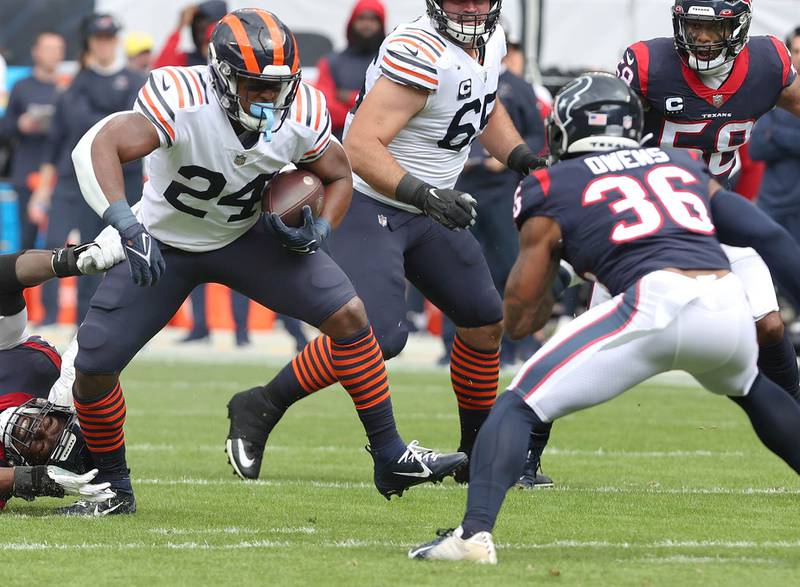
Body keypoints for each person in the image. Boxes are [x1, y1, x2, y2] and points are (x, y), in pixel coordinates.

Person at [66, 8, 466, 516]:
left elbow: (339, 176)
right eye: (255, 85)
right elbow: (100, 146)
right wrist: (127, 224)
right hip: (165, 241)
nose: (268, 96)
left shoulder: (302, 110)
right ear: (223, 75)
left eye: (277, 85)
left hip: (245, 235)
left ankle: (390, 455)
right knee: (95, 367)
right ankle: (113, 488)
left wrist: (322, 229)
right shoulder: (181, 96)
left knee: (349, 316)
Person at [409, 73, 800, 564]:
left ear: (565, 128)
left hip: (654, 300)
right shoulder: (678, 162)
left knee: (516, 405)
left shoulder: (551, 181)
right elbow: (770, 237)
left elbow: (521, 316)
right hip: (723, 299)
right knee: (752, 389)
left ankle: (472, 536)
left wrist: (554, 281)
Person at [225, 0, 547, 487]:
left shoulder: (490, 40)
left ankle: (477, 453)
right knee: (379, 339)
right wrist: (427, 193)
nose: (472, 8)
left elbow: (483, 103)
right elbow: (358, 146)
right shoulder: (419, 49)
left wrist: (523, 157)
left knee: (484, 321)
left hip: (427, 206)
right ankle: (262, 403)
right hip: (370, 201)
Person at [517, 0, 800, 484]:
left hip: (713, 212)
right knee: (589, 338)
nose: (703, 39)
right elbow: (598, 121)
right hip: (648, 219)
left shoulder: (770, 61)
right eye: (693, 26)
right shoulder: (649, 63)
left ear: (740, 27)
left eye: (714, 29)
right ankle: (526, 451)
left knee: (770, 325)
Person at [31, 14, 144, 327]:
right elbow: (74, 130)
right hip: (90, 182)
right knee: (90, 252)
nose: (105, 44)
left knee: (131, 251)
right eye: (99, 39)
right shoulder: (77, 84)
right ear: (91, 42)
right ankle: (85, 322)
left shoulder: (135, 81)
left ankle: (130, 322)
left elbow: (131, 128)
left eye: (109, 38)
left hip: (128, 180)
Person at [0, 236, 124, 511]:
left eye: (41, 447)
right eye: (51, 430)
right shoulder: (43, 374)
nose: (36, 433)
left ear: (29, 462)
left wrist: (32, 480)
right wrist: (70, 262)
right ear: (58, 413)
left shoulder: (5, 461)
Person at [0, 31, 65, 251]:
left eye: (58, 49)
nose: (54, 54)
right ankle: (22, 286)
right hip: (27, 169)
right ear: (35, 52)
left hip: (60, 172)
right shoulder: (21, 87)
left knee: (58, 241)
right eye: (48, 48)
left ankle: (54, 286)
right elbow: (5, 128)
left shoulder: (67, 88)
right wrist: (21, 124)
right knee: (28, 240)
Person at [749, 26, 800, 307]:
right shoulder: (775, 94)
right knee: (763, 282)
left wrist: (777, 136)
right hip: (773, 206)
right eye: (796, 51)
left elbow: (769, 138)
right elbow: (757, 146)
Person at [315, 0, 386, 139]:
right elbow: (325, 111)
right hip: (338, 145)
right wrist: (372, 110)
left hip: (382, 145)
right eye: (362, 18)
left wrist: (349, 97)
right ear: (352, 22)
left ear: (381, 24)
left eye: (373, 19)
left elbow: (392, 106)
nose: (367, 24)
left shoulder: (389, 62)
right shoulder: (330, 62)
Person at [153, 1, 228, 69]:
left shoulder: (229, 60)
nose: (208, 47)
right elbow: (162, 67)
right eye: (206, 42)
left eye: (211, 42)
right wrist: (180, 26)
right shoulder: (188, 60)